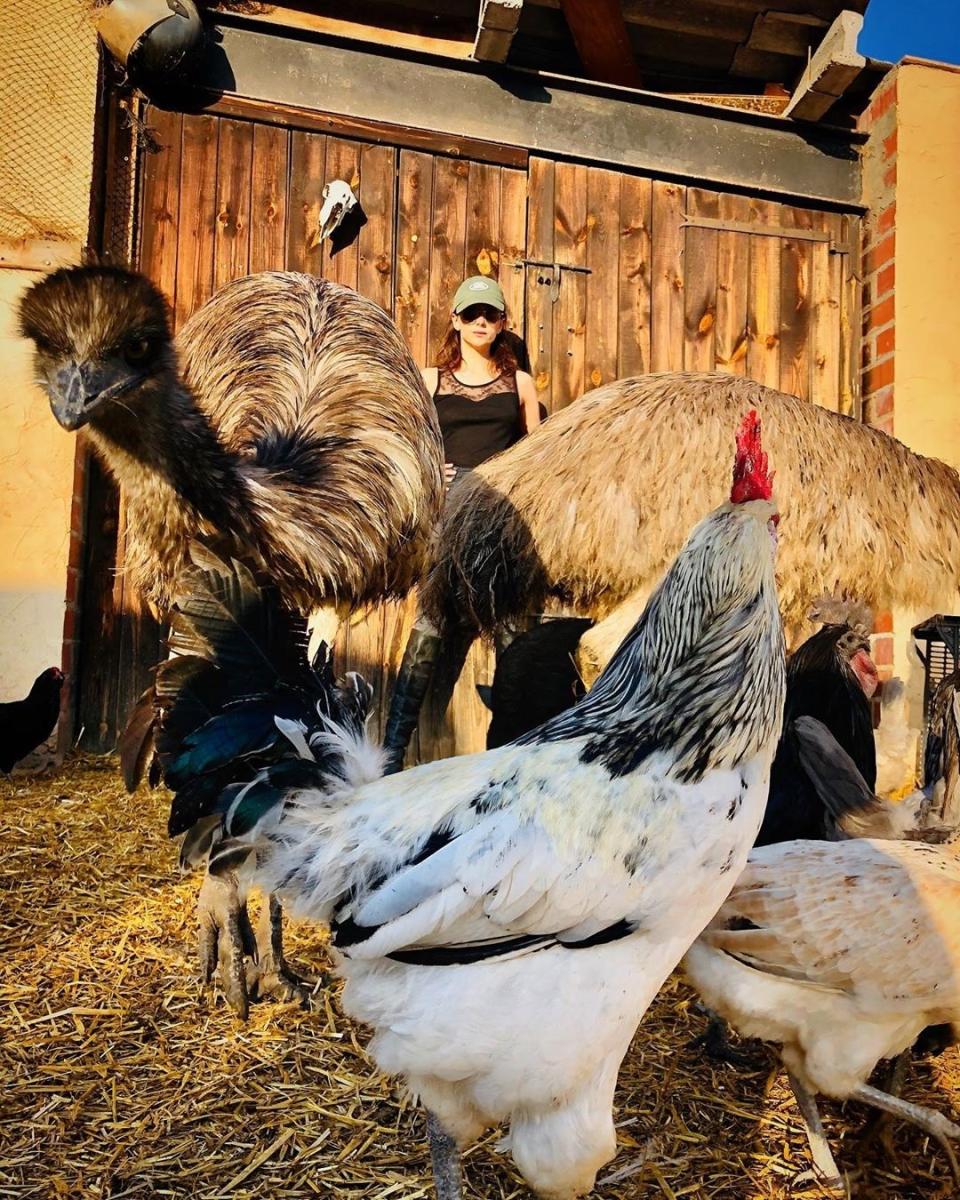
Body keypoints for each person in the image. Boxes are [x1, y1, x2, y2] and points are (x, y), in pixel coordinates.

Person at [382, 275, 540, 772]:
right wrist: (431, 469)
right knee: (430, 622)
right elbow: (402, 439)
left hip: (497, 510)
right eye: (470, 314)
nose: (479, 322)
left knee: (513, 626)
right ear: (454, 319)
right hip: (446, 508)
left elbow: (539, 451)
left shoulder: (520, 383)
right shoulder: (429, 379)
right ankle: (388, 754)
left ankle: (517, 756)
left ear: (502, 323)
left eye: (489, 315)